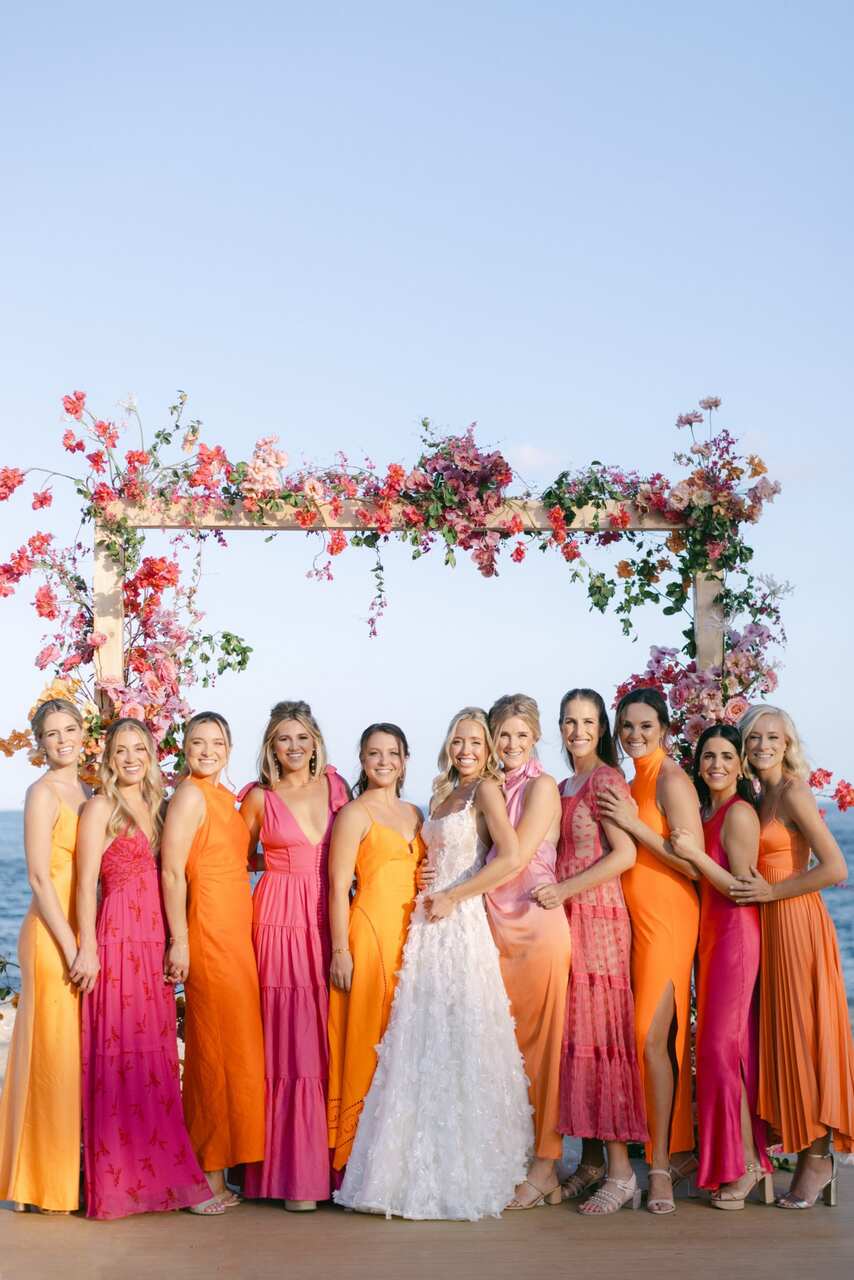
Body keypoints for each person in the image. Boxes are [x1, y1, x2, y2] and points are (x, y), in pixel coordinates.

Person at [335, 708, 533, 1220]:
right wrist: (428, 875)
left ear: (488, 748)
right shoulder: (442, 796)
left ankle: (470, 1164)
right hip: (426, 927)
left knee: (462, 1033)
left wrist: (453, 895)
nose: (465, 749)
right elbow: (432, 853)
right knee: (420, 1039)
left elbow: (509, 858)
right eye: (458, 740)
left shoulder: (487, 790)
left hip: (460, 920)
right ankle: (410, 1163)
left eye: (475, 741)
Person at [74, 718, 222, 1219]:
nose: (132, 757)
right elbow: (83, 885)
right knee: (117, 1057)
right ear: (109, 757)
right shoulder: (99, 807)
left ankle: (165, 1179)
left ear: (152, 754)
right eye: (122, 749)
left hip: (155, 939)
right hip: (116, 939)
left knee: (155, 1060)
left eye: (140, 748)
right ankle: (117, 1186)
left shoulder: (161, 807)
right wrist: (87, 948)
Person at [729, 705, 853, 1209]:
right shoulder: (757, 797)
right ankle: (799, 1147)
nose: (762, 745)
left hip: (797, 923)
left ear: (787, 743)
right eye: (754, 736)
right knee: (783, 1040)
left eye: (772, 737)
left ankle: (819, 1160)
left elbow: (835, 868)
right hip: (768, 929)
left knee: (808, 1036)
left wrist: (772, 896)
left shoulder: (795, 792)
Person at [533, 688, 647, 1215]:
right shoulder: (561, 785)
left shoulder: (607, 779)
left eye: (588, 722)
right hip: (567, 919)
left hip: (599, 918)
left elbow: (624, 855)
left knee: (603, 1037)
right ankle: (593, 1161)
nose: (578, 731)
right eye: (569, 722)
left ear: (601, 728)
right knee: (575, 1037)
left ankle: (624, 1174)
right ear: (559, 727)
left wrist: (567, 891)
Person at [240, 701, 349, 1211]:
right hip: (277, 920)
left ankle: (329, 1167)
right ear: (271, 746)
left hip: (328, 916)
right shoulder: (260, 798)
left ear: (315, 741)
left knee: (327, 1032)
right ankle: (285, 1174)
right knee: (285, 1037)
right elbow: (235, 860)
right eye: (283, 739)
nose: (294, 747)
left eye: (301, 737)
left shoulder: (336, 787)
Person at [597, 687, 702, 1214]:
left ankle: (658, 1168)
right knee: (633, 1038)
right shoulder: (630, 777)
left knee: (648, 1039)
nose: (635, 735)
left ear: (663, 728)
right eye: (627, 727)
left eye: (646, 726)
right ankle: (665, 1154)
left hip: (668, 919)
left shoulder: (673, 779)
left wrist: (636, 825)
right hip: (629, 920)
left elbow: (694, 863)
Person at [160, 711, 265, 1205]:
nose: (207, 750)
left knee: (238, 1051)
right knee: (212, 1053)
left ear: (228, 747)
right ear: (185, 748)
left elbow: (239, 859)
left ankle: (230, 1162)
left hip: (237, 934)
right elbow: (172, 872)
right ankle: (205, 1173)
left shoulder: (227, 799)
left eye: (217, 742)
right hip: (207, 933)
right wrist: (179, 940)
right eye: (198, 742)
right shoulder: (189, 794)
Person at [668, 723, 772, 1209]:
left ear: (740, 764)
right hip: (708, 941)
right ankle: (730, 1158)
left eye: (727, 756)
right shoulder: (705, 812)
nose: (716, 765)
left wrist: (691, 853)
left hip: (735, 935)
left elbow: (738, 887)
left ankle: (748, 1163)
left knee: (719, 1051)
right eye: (708, 756)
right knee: (716, 1053)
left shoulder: (740, 813)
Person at [484, 694, 572, 1209]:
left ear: (536, 736)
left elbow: (515, 857)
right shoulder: (491, 789)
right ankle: (517, 1160)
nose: (512, 743)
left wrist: (456, 891)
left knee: (543, 1049)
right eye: (504, 734)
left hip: (534, 920)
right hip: (494, 924)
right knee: (506, 1049)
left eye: (521, 734)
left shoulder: (541, 787)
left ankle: (546, 1165)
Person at [0, 699, 88, 1213]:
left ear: (83, 734)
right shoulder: (42, 793)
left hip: (79, 936)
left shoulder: (87, 791)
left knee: (69, 1056)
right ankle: (39, 1184)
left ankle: (59, 1173)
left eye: (70, 729)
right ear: (39, 744)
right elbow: (37, 876)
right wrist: (72, 943)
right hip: (51, 937)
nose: (62, 740)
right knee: (50, 1053)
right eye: (51, 734)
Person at [326, 724, 424, 1173]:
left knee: (401, 1043)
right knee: (367, 1040)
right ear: (362, 760)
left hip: (412, 938)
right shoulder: (354, 814)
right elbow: (336, 886)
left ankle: (394, 1156)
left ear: (405, 760)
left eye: (392, 753)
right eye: (374, 754)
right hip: (368, 935)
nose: (384, 761)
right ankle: (352, 1159)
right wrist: (340, 951)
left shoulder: (415, 814)